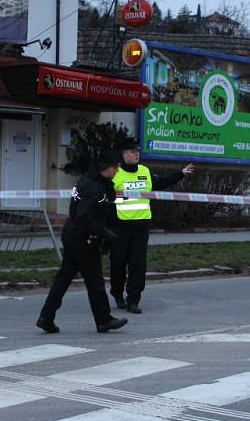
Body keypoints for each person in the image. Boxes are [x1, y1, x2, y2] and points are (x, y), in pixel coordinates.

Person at [37, 151, 128, 334]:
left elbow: (93, 206)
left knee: (63, 279)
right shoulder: (93, 187)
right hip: (83, 239)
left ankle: (46, 317)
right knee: (95, 281)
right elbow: (85, 217)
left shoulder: (88, 180)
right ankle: (103, 320)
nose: (118, 171)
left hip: (73, 235)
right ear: (108, 168)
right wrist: (106, 234)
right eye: (116, 168)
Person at [110, 136, 194, 314]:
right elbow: (107, 197)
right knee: (118, 263)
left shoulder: (144, 171)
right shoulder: (115, 173)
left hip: (141, 226)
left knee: (138, 264)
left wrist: (181, 173)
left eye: (138, 151)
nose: (136, 154)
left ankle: (133, 299)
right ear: (124, 154)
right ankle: (117, 293)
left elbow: (161, 182)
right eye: (133, 151)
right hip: (121, 226)